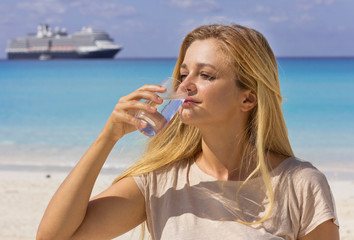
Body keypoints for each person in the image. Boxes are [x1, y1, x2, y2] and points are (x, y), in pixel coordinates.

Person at [37, 24, 339, 240]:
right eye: (183, 74)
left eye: (205, 75)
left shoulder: (300, 184)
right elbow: (54, 237)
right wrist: (108, 137)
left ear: (248, 98)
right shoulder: (159, 182)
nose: (184, 86)